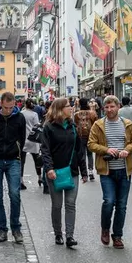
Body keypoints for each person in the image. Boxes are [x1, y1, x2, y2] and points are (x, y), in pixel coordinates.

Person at [87, 95, 132, 250]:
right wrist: (106, 149)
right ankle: (105, 228)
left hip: (124, 169)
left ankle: (117, 236)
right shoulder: (98, 125)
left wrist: (127, 150)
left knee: (122, 205)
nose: (109, 110)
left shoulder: (127, 124)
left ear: (118, 107)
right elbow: (91, 144)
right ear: (103, 109)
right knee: (109, 201)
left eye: (112, 107)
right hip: (107, 170)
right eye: (107, 107)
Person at [41, 98, 86, 248]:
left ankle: (70, 236)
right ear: (60, 109)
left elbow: (79, 151)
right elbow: (45, 150)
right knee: (57, 205)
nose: (71, 108)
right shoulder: (49, 127)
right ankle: (58, 233)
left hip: (72, 171)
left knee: (70, 204)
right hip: (55, 172)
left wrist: (84, 171)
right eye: (68, 106)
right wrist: (49, 168)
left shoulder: (73, 126)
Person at [0, 92, 27, 244]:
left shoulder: (19, 118)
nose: (9, 110)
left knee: (15, 194)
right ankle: (2, 229)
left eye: (12, 107)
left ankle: (16, 228)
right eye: (6, 107)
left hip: (13, 160)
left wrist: (17, 150)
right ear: (1, 104)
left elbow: (22, 137)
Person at [20, 99, 44, 191]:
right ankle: (40, 178)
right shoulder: (34, 115)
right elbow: (37, 126)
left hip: (23, 139)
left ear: (25, 104)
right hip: (33, 140)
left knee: (22, 161)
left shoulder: (21, 113)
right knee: (37, 160)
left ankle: (21, 180)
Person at [74, 97, 98, 182]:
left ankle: (84, 173)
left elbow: (75, 125)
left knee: (82, 154)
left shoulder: (76, 114)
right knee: (90, 154)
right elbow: (96, 124)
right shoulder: (92, 113)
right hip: (90, 135)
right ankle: (91, 171)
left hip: (80, 136)